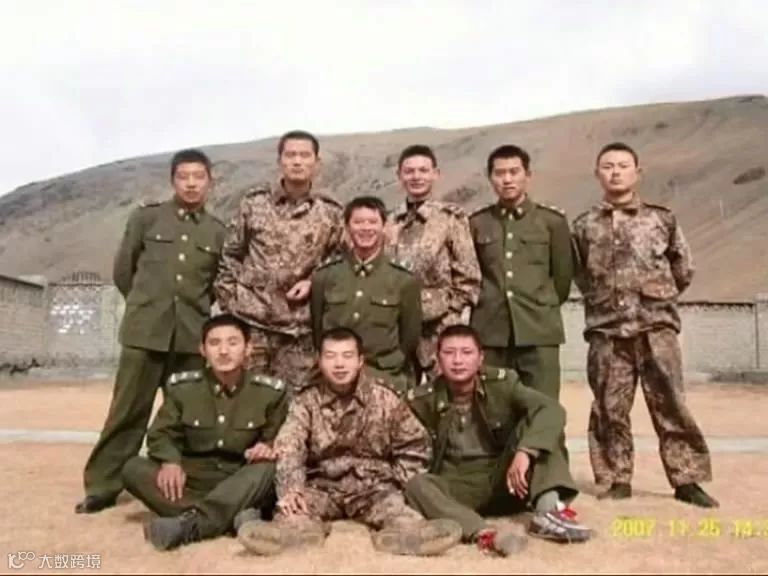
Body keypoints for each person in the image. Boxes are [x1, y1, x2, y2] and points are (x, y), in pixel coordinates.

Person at [75, 149, 226, 514]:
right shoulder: (146, 218)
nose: (191, 184)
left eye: (198, 177)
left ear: (210, 182)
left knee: (189, 415)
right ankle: (103, 485)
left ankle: (185, 482)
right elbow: (123, 272)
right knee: (128, 411)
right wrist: (147, 307)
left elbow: (215, 286)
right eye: (183, 177)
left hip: (189, 338)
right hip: (144, 334)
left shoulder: (217, 232)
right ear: (173, 180)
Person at [571, 141, 717, 507]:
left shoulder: (661, 219)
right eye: (608, 166)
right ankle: (616, 478)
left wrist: (655, 297)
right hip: (608, 332)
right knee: (609, 408)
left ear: (638, 172)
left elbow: (683, 268)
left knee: (671, 405)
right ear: (597, 174)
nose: (615, 172)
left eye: (623, 165)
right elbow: (580, 274)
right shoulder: (584, 225)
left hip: (656, 328)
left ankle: (687, 480)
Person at [236, 327, 461, 556]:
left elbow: (415, 444)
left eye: (347, 356)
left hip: (375, 486)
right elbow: (290, 445)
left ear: (360, 360)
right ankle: (297, 537)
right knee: (293, 516)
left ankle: (404, 538)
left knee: (401, 517)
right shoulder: (306, 401)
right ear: (320, 361)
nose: (339, 364)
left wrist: (400, 483)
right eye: (331, 356)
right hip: (321, 486)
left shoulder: (384, 398)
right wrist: (292, 489)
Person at [405, 325, 591, 556]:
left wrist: (525, 451)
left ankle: (548, 514)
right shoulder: (422, 399)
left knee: (541, 429)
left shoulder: (503, 383)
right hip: (456, 487)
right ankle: (483, 532)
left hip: (508, 481)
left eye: (466, 352)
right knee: (416, 485)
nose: (458, 360)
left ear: (480, 358)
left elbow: (550, 409)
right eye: (449, 353)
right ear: (438, 359)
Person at [121, 313, 288, 550]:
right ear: (202, 350)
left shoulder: (270, 392)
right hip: (192, 479)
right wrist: (170, 462)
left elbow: (279, 438)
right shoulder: (183, 388)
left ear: (248, 349)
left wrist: (267, 447)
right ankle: (234, 517)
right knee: (132, 468)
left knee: (268, 470)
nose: (223, 351)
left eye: (232, 343)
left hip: (240, 480)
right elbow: (161, 434)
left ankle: (191, 526)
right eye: (214, 343)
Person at [214, 130, 343, 392]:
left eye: (304, 155)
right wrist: (232, 304)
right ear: (280, 161)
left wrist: (313, 281)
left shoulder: (330, 212)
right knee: (245, 400)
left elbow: (338, 262)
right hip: (252, 326)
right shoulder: (254, 204)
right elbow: (230, 255)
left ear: (317, 162)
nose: (297, 161)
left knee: (294, 404)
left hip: (299, 332)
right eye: (290, 155)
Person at [469, 144, 573, 400]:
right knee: (493, 407)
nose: (507, 179)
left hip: (539, 332)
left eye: (514, 172)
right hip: (491, 332)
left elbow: (562, 280)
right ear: (490, 178)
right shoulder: (477, 223)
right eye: (500, 173)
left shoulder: (552, 222)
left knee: (543, 406)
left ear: (528, 175)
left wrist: (540, 305)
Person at [386, 145, 481, 383]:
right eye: (409, 171)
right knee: (399, 393)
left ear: (435, 174)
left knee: (446, 394)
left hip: (439, 329)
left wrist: (447, 314)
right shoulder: (388, 221)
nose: (416, 176)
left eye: (423, 170)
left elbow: (469, 278)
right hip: (397, 329)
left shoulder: (450, 219)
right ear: (399, 176)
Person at [310, 196, 422, 394]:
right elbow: (317, 329)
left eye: (372, 222)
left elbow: (409, 336)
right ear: (347, 227)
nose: (365, 228)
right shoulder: (325, 276)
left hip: (384, 376)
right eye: (358, 222)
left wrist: (392, 363)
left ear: (384, 227)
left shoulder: (403, 279)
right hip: (335, 376)